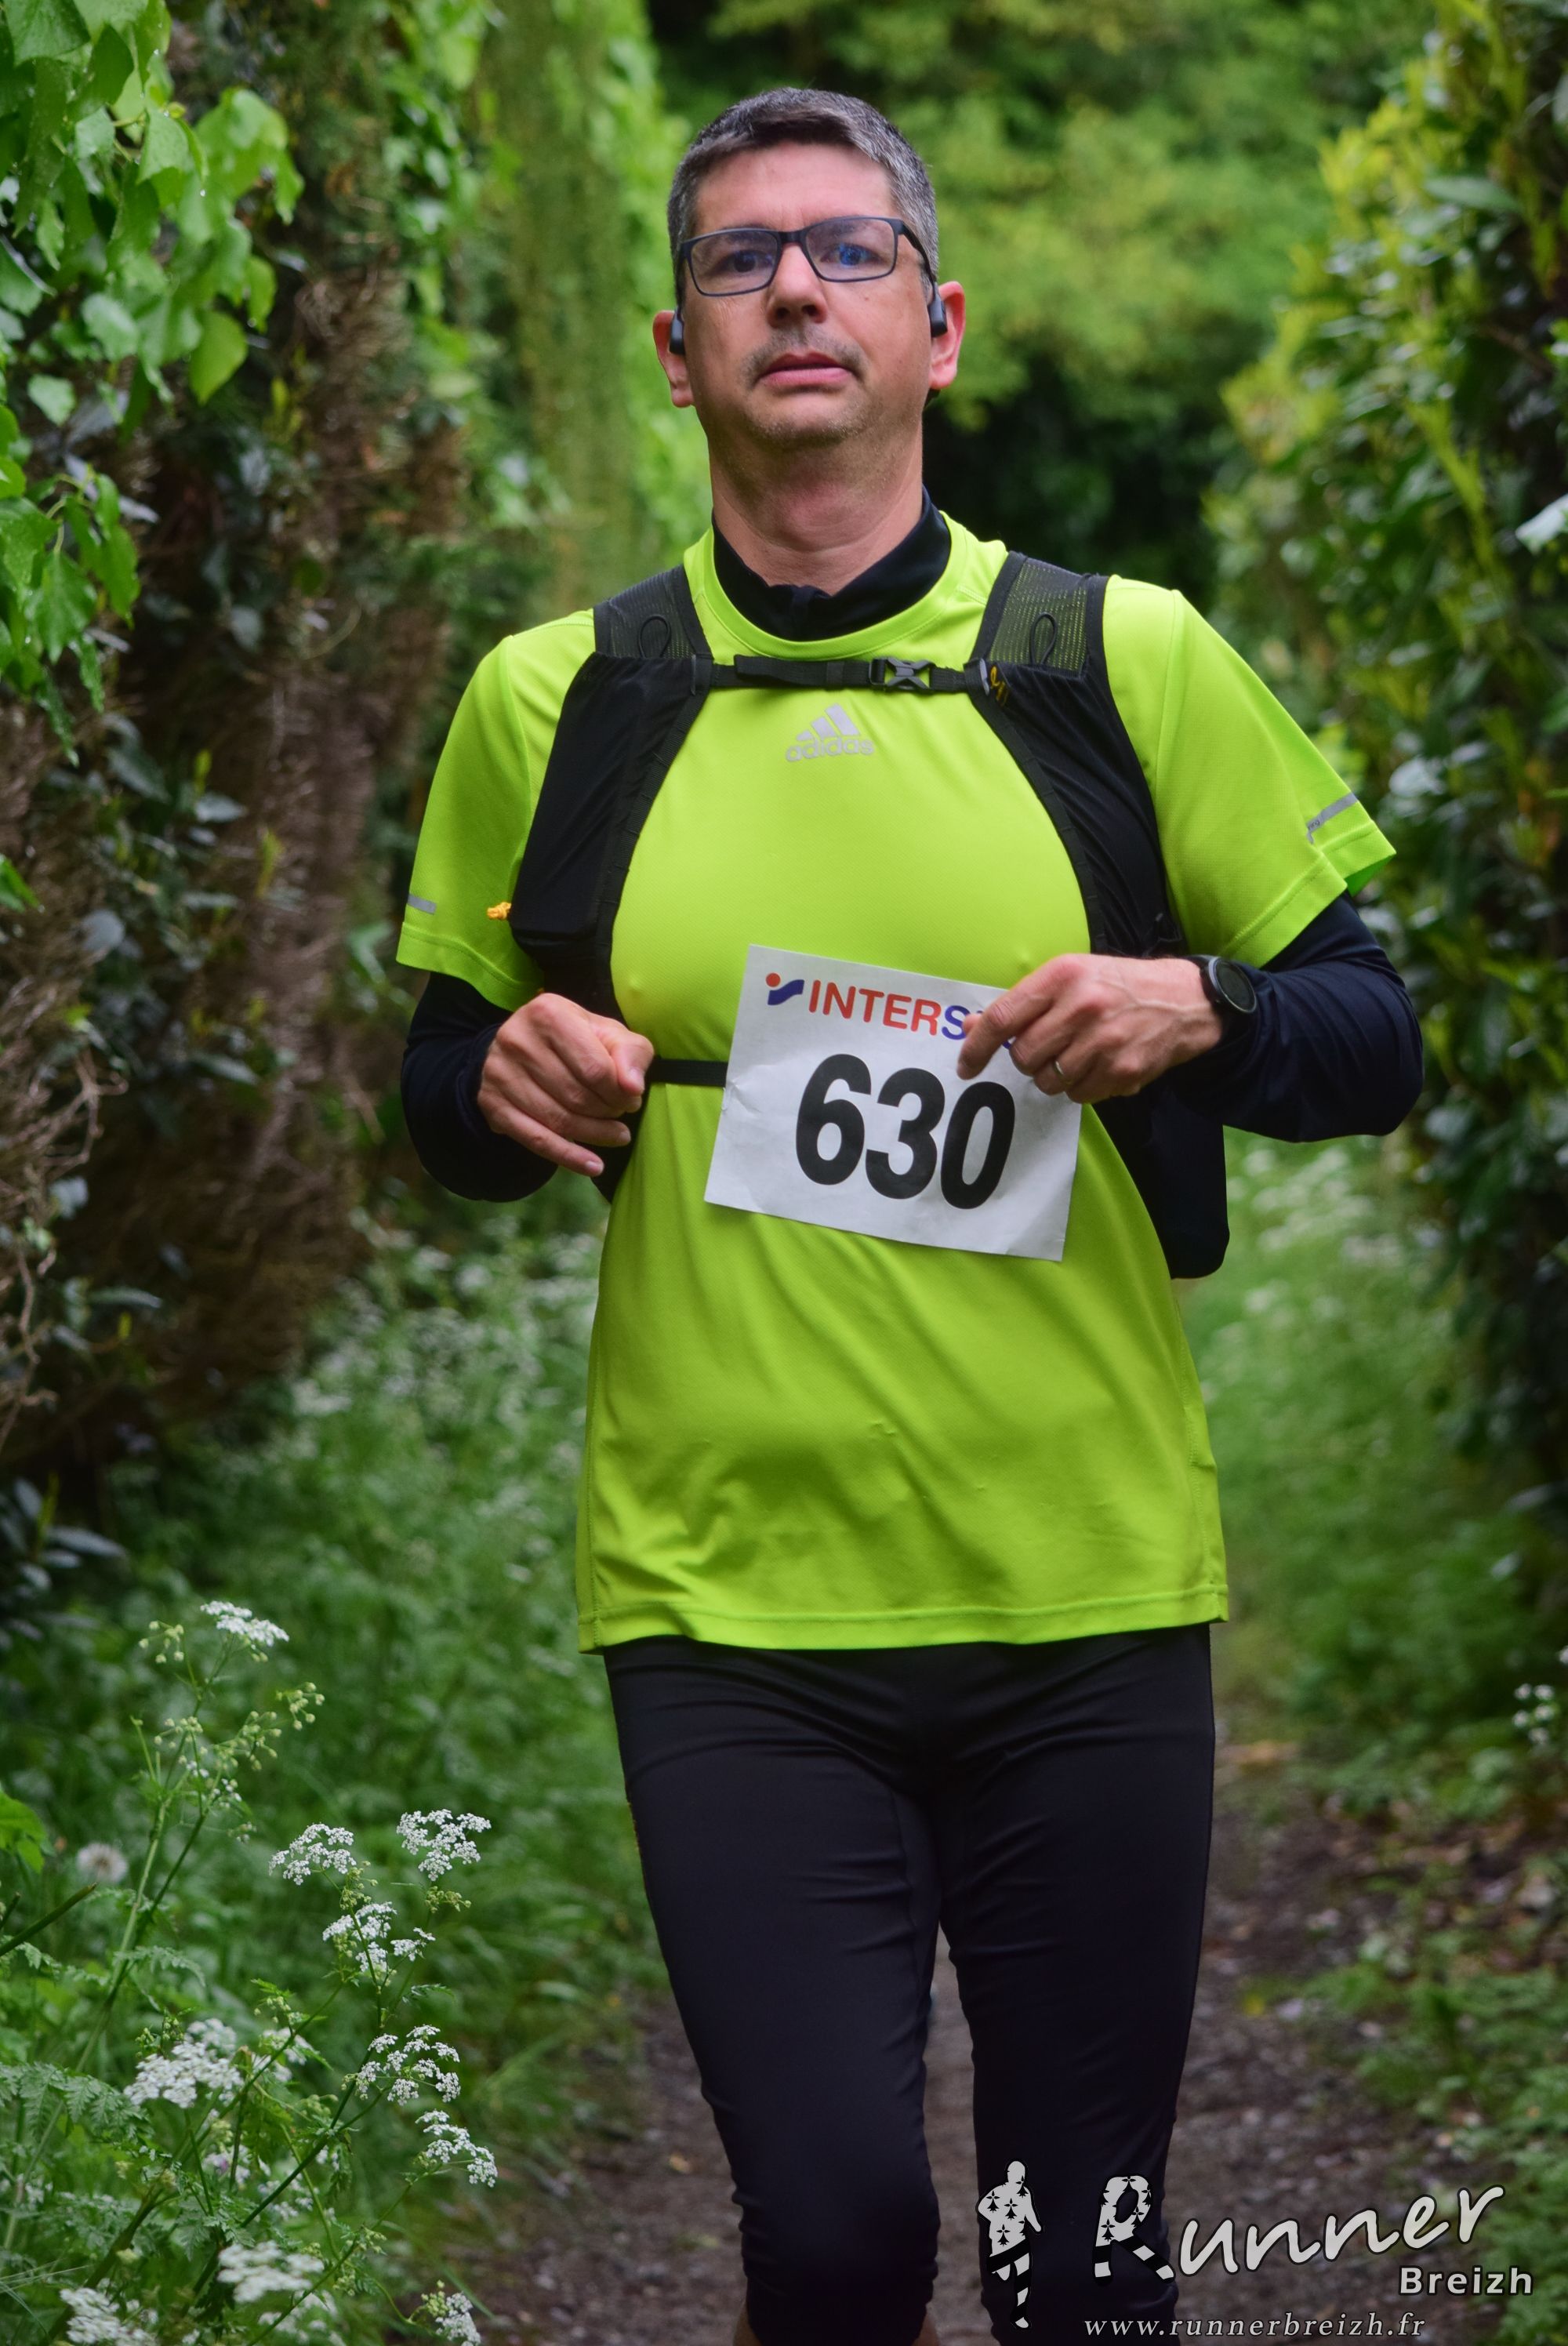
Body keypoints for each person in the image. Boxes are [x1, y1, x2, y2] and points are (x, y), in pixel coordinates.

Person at [396, 87, 1423, 2346]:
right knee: (838, 2236)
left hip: (1083, 1587)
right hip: (727, 1604)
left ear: (937, 328)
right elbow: (440, 1089)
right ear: (676, 351)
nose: (794, 288)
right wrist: (494, 1080)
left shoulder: (1122, 662)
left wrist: (1206, 1008)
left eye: (848, 251)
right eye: (741, 259)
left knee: (1085, 2263)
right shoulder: (555, 701)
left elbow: (1376, 1036)